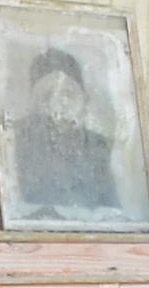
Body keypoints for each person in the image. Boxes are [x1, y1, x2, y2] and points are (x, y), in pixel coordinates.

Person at [10, 46, 123, 220]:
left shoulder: (98, 146)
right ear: (33, 103)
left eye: (68, 94)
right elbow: (13, 209)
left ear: (84, 99)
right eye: (47, 95)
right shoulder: (15, 140)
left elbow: (113, 210)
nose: (58, 105)